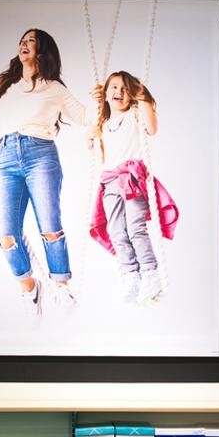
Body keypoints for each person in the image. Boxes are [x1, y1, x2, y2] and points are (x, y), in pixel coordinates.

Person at [0, 28, 94, 318]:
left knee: (50, 225)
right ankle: (30, 288)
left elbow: (86, 118)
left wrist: (102, 100)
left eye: (31, 41)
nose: (23, 44)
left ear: (42, 51)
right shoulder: (5, 84)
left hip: (41, 153)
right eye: (22, 40)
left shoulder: (54, 88)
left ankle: (62, 286)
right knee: (6, 235)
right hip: (5, 155)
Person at [89, 70, 178, 304]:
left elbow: (152, 128)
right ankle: (131, 274)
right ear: (106, 93)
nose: (119, 92)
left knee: (135, 227)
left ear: (131, 95)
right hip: (109, 183)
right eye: (114, 87)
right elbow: (90, 142)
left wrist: (143, 97)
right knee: (117, 231)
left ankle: (150, 273)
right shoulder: (102, 122)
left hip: (131, 179)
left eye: (124, 88)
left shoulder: (135, 115)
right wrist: (95, 104)